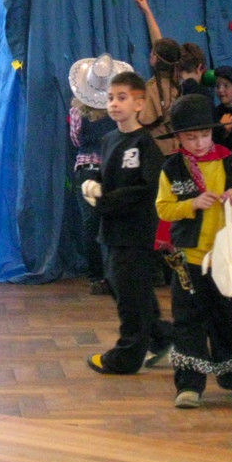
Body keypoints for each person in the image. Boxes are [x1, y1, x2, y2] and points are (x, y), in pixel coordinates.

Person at [155, 94, 232, 407]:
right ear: (179, 138)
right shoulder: (172, 169)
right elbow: (163, 208)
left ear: (212, 132)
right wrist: (190, 204)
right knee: (189, 319)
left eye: (204, 135)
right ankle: (189, 386)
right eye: (191, 137)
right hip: (189, 259)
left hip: (227, 257)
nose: (199, 143)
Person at [81, 70, 174, 374]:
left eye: (122, 98)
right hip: (112, 230)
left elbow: (147, 188)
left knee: (130, 295)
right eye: (110, 98)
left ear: (139, 103)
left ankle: (127, 356)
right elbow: (105, 175)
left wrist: (106, 199)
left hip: (136, 232)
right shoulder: (109, 139)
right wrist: (93, 183)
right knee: (127, 289)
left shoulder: (144, 143)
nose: (114, 104)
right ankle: (164, 336)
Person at [68, 53, 125, 295]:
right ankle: (115, 275)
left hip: (88, 170)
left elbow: (76, 140)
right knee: (113, 223)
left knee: (91, 225)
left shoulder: (76, 112)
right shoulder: (118, 110)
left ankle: (96, 278)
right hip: (113, 169)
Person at [134, 0, 182, 156]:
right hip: (176, 147)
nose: (150, 54)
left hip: (159, 152)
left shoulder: (153, 89)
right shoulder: (177, 80)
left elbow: (143, 119)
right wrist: (147, 11)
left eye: (153, 53)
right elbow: (159, 43)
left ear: (156, 59)